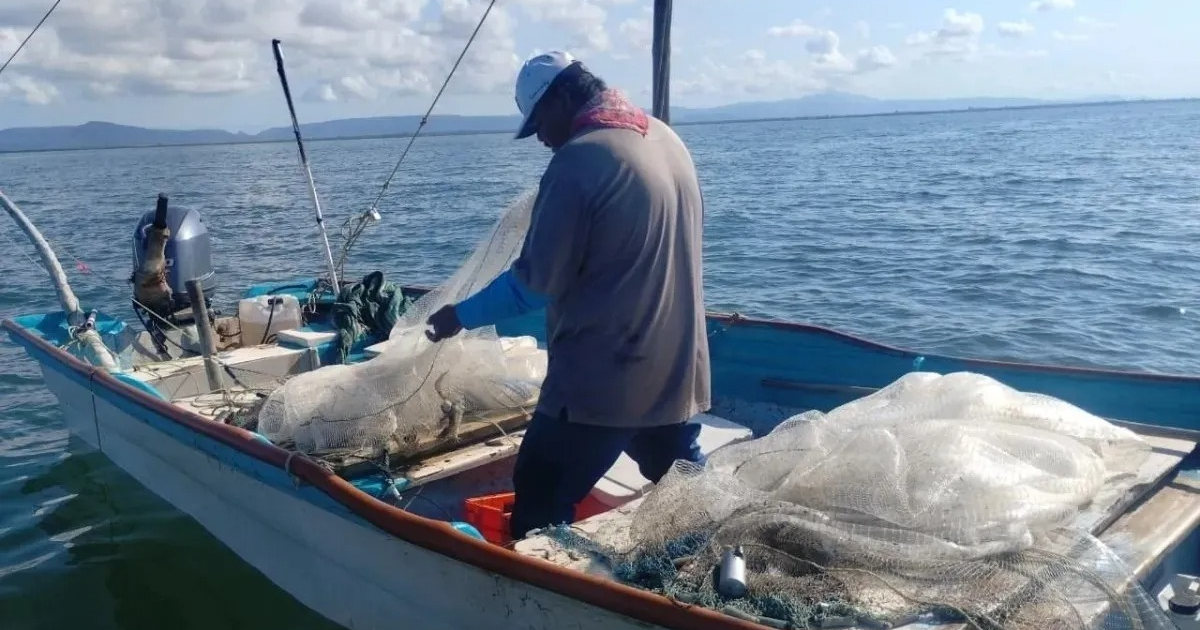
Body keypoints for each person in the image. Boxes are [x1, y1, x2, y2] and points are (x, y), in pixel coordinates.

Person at [424, 50, 710, 539]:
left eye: (538, 122)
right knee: (687, 487)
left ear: (560, 99)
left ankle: (534, 584)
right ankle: (711, 560)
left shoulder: (578, 161)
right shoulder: (666, 138)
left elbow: (532, 286)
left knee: (540, 488)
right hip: (678, 369)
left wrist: (458, 315)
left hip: (604, 379)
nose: (541, 137)